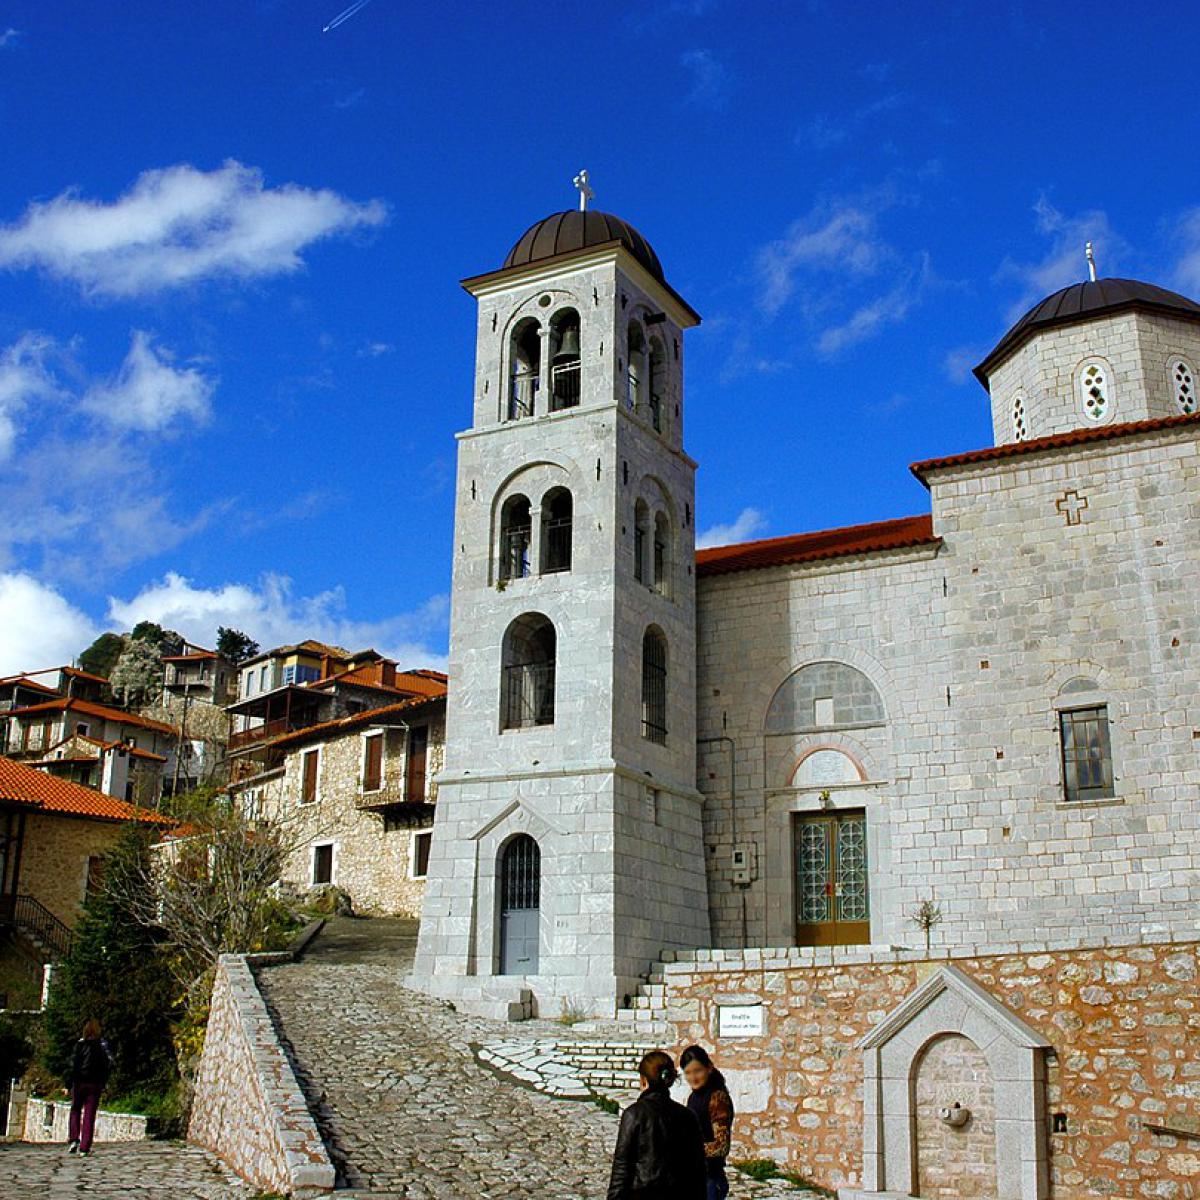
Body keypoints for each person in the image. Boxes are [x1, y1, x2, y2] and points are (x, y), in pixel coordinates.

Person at [607, 1049, 706, 1200]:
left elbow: (622, 1166)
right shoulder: (688, 1116)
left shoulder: (634, 1115)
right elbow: (698, 1171)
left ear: (643, 1080)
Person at [680, 1045, 735, 1200]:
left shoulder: (717, 1098)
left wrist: (687, 1149)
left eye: (698, 1071)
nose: (693, 1078)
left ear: (709, 1068)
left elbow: (721, 1146)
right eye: (688, 1073)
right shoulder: (694, 1096)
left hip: (710, 1179)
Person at [67, 1018, 112, 1158]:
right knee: (89, 1114)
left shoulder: (79, 1045)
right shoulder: (102, 1046)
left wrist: (68, 1083)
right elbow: (108, 1064)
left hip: (79, 1082)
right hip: (95, 1083)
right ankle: (85, 1147)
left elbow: (73, 1064)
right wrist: (104, 1082)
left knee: (75, 1109)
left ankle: (74, 1139)